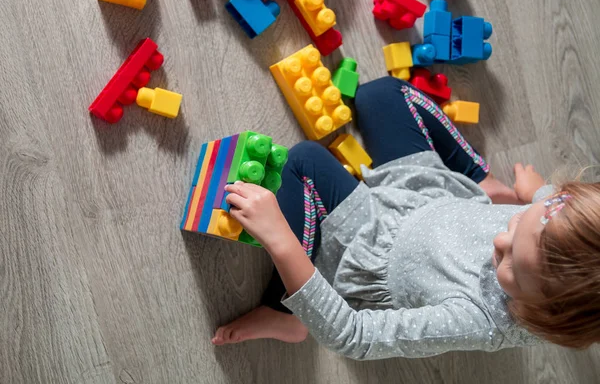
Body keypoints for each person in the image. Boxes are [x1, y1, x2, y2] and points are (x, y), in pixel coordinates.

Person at [211, 77, 600, 359]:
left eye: (513, 266)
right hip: (427, 196)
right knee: (381, 94)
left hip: (375, 244)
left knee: (303, 161)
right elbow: (560, 214)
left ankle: (288, 316)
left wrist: (280, 238)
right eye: (516, 223)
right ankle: (489, 184)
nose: (499, 241)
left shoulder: (479, 319)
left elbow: (354, 336)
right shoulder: (557, 228)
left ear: (543, 313)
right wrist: (536, 195)